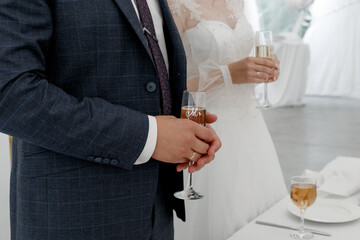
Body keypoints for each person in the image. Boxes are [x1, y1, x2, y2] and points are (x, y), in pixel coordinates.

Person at [0, 0, 221, 239]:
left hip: (157, 214)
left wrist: (186, 134)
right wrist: (151, 136)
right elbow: (10, 95)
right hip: (75, 218)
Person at [168, 0, 288, 239]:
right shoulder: (176, 6)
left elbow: (240, 55)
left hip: (251, 125)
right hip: (210, 126)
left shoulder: (237, 2)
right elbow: (171, 85)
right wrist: (227, 74)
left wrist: (260, 70)